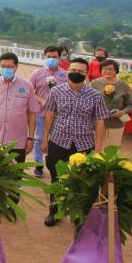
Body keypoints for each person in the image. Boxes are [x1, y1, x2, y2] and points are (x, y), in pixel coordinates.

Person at [41, 58, 108, 227]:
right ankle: (55, 212)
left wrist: (99, 148)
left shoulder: (96, 95)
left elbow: (100, 121)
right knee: (56, 178)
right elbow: (50, 114)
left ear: (87, 74)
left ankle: (79, 215)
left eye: (80, 71)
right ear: (68, 70)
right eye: (73, 70)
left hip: (84, 144)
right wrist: (45, 138)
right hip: (58, 141)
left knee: (82, 181)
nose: (76, 73)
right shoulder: (56, 91)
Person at [0, 52, 38, 166]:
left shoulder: (27, 86)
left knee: (15, 177)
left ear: (16, 67)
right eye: (3, 66)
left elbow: (32, 113)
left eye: (9, 67)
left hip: (17, 142)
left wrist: (31, 138)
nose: (6, 69)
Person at [29, 46, 69, 177]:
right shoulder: (37, 73)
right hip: (41, 113)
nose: (51, 59)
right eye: (49, 57)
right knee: (39, 139)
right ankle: (39, 164)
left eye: (55, 57)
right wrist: (41, 100)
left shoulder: (65, 74)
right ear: (44, 57)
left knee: (56, 140)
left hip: (59, 115)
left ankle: (53, 163)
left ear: (60, 58)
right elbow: (29, 93)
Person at [90, 59, 132, 148]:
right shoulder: (94, 83)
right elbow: (87, 101)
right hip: (96, 122)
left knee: (111, 150)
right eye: (105, 68)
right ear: (101, 70)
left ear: (116, 71)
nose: (108, 71)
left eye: (111, 69)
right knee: (94, 149)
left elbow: (130, 105)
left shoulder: (123, 85)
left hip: (116, 124)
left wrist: (122, 112)